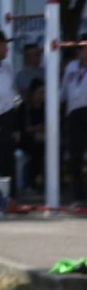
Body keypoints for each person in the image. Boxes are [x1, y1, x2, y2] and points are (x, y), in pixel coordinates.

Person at [59, 34, 87, 204]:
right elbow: (63, 91)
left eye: (86, 47)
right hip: (73, 114)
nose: (83, 51)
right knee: (75, 156)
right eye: (80, 48)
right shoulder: (71, 67)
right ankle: (79, 195)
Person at [0, 31, 19, 196]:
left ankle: (10, 197)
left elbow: (12, 93)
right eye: (3, 44)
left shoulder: (8, 68)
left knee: (8, 156)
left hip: (6, 116)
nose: (6, 48)